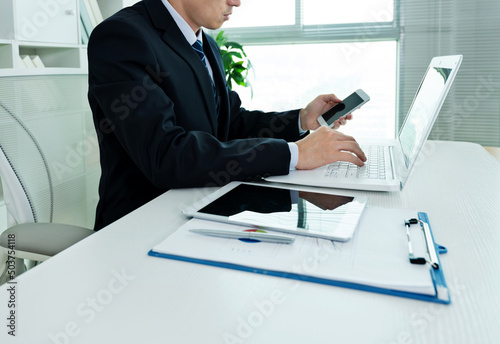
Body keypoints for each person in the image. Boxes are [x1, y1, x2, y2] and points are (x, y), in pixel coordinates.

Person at [87, 0, 366, 230]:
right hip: (138, 229)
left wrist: (302, 120)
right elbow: (166, 155)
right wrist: (295, 154)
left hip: (206, 209)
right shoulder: (122, 37)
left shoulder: (206, 45)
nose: (237, 2)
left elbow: (231, 123)